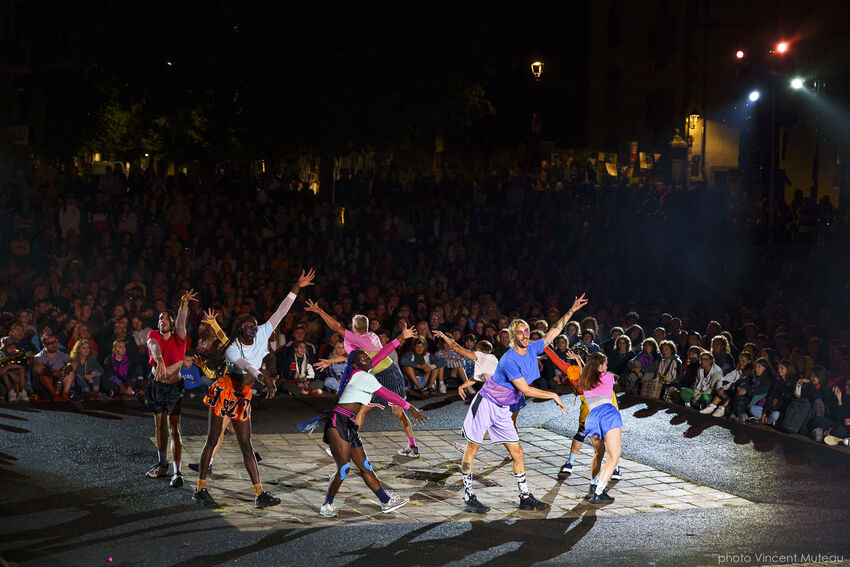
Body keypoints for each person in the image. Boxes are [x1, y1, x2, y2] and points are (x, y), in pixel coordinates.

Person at [458, 295, 586, 514]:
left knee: (517, 452)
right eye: (520, 332)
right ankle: (469, 497)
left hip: (503, 409)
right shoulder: (509, 359)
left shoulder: (534, 347)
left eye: (527, 331)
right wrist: (553, 395)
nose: (525, 335)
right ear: (512, 336)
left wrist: (572, 310)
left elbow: (553, 332)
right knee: (472, 448)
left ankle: (525, 497)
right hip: (486, 403)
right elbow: (525, 390)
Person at [313, 328, 426, 518]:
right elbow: (388, 395)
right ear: (356, 364)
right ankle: (327, 504)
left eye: (367, 356)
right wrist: (410, 407)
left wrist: (401, 337)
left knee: (365, 466)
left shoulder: (365, 369)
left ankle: (385, 501)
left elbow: (383, 352)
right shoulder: (363, 376)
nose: (368, 358)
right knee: (344, 468)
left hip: (349, 424)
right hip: (338, 423)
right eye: (363, 358)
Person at [308, 299, 422, 458]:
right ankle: (413, 446)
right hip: (394, 373)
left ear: (355, 328)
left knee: (361, 410)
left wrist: (320, 311)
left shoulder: (359, 339)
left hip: (384, 377)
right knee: (398, 412)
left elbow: (336, 327)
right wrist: (330, 361)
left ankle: (344, 446)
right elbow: (352, 355)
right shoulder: (371, 337)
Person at [191, 309, 281, 509]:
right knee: (213, 439)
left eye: (255, 327)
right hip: (224, 392)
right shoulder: (232, 347)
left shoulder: (258, 345)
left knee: (246, 445)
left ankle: (260, 494)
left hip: (242, 396)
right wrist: (213, 323)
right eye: (249, 326)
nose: (254, 330)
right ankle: (200, 489)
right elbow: (248, 367)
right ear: (240, 329)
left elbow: (260, 363)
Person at [542, 343, 622, 481]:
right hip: (609, 403)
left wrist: (543, 345)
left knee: (581, 433)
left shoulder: (570, 369)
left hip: (589, 403)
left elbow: (555, 359)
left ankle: (570, 463)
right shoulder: (603, 374)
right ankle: (615, 469)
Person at [145, 289, 198, 488]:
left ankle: (177, 472)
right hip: (157, 386)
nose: (163, 321)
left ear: (172, 323)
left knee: (174, 428)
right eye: (161, 318)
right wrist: (159, 360)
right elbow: (153, 345)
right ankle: (162, 464)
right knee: (159, 425)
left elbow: (182, 321)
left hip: (174, 387)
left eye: (167, 318)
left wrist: (184, 304)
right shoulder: (153, 335)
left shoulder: (179, 337)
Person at [578, 352, 623, 504]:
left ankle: (593, 483)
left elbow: (587, 371)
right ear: (599, 366)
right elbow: (611, 377)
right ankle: (598, 493)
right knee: (613, 457)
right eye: (605, 364)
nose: (606, 366)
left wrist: (579, 360)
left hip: (592, 418)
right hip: (608, 415)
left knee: (599, 453)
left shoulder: (584, 380)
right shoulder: (608, 377)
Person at [32, 334, 72, 400]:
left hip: (60, 379)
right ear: (44, 345)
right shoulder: (39, 357)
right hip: (46, 382)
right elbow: (37, 368)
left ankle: (65, 394)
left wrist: (68, 367)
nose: (54, 345)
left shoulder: (62, 354)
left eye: (55, 342)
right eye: (50, 343)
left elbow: (72, 362)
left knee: (70, 373)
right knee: (44, 376)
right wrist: (53, 373)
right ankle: (55, 395)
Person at [0, 336, 29, 401]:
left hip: (14, 379)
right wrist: (9, 368)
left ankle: (22, 392)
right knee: (4, 373)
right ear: (4, 348)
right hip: (2, 382)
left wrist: (11, 371)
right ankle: (11, 393)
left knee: (21, 369)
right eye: (10, 347)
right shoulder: (1, 354)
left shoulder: (17, 354)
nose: (13, 349)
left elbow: (21, 367)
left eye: (14, 347)